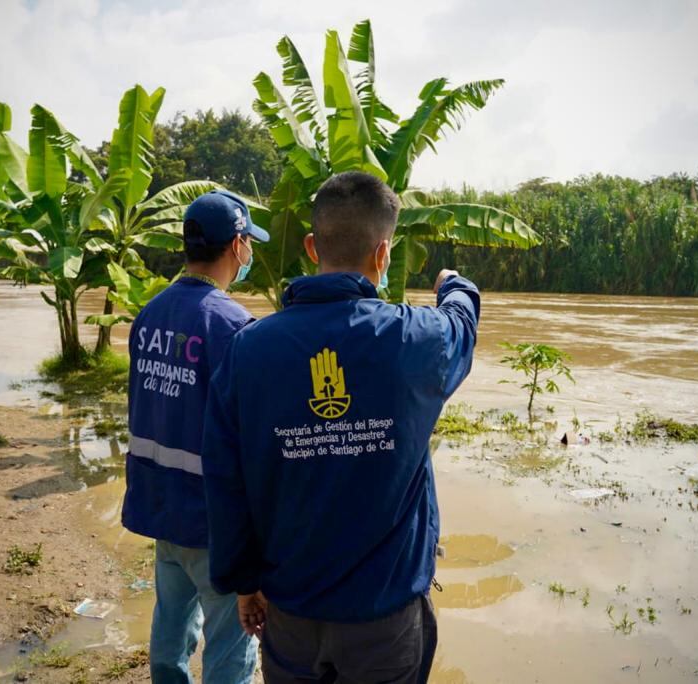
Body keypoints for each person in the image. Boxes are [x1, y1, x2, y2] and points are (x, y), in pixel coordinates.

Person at [202, 171, 481, 683]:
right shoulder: (417, 339)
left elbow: (224, 479)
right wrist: (454, 285)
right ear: (384, 255)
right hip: (387, 618)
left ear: (311, 247)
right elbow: (462, 323)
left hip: (289, 612)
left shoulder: (248, 349)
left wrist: (243, 581)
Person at [122, 189, 269, 683]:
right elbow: (252, 440)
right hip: (214, 524)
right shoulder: (233, 327)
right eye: (248, 242)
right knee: (229, 646)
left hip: (161, 508)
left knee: (171, 628)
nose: (249, 253)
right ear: (237, 245)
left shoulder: (149, 315)